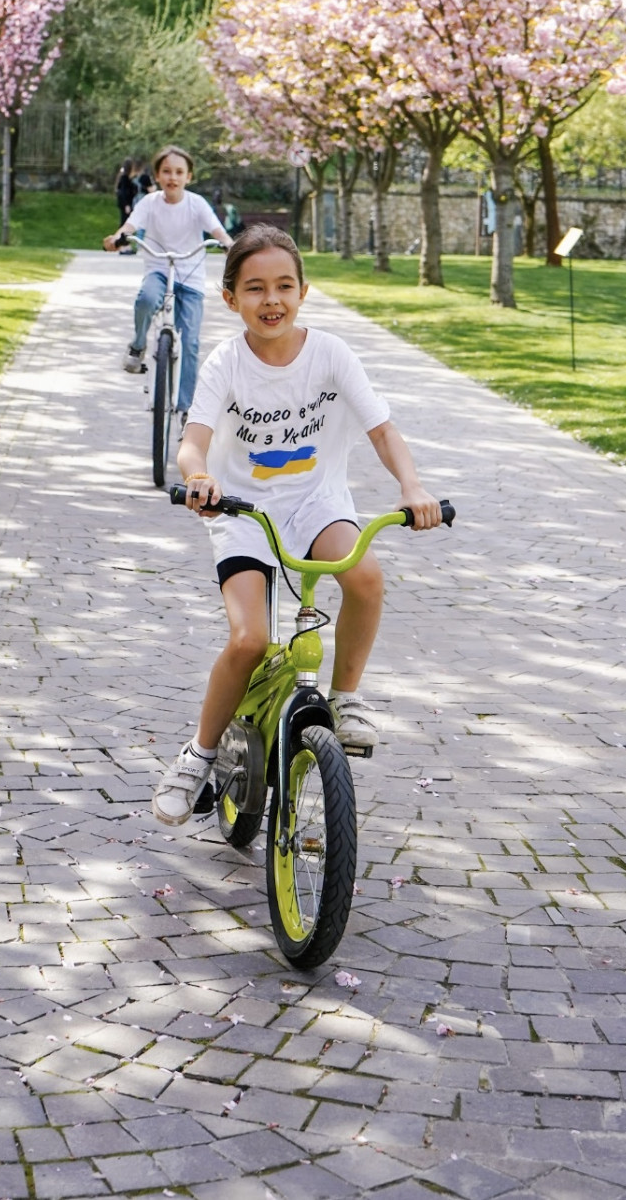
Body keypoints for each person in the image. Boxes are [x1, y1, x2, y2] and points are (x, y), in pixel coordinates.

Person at [152, 224, 443, 826]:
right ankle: (199, 753)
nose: (272, 300)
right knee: (249, 639)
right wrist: (201, 477)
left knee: (364, 576)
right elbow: (193, 442)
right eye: (255, 288)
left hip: (316, 504)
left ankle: (348, 697)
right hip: (242, 512)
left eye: (285, 285)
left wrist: (412, 488)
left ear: (304, 291)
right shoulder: (226, 363)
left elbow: (382, 431)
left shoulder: (331, 354)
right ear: (230, 298)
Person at [103, 145, 230, 420]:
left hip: (191, 275)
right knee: (147, 299)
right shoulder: (149, 203)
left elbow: (216, 228)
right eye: (167, 171)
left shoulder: (196, 203)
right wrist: (118, 237)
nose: (173, 177)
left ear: (189, 176)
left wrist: (228, 243)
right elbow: (130, 226)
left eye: (179, 172)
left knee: (191, 343)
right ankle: (138, 346)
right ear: (157, 176)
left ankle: (187, 410)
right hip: (159, 268)